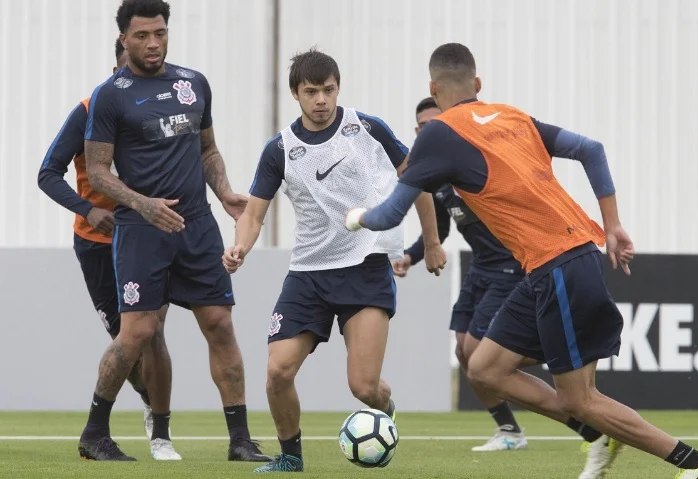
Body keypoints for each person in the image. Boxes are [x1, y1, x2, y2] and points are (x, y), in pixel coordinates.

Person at [345, 43, 698, 479]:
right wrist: (613, 225)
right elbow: (592, 149)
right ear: (479, 84)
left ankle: (694, 462)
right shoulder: (511, 116)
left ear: (433, 88)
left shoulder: (438, 133)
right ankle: (598, 432)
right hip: (551, 266)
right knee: (485, 368)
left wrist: (355, 218)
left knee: (581, 397)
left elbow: (390, 214)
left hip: (560, 264)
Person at [223, 47, 446, 473]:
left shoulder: (367, 128)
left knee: (364, 388)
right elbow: (254, 213)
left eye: (328, 90)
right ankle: (290, 458)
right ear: (296, 94)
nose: (321, 100)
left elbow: (417, 179)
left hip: (364, 268)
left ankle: (385, 408)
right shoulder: (280, 150)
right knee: (278, 371)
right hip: (307, 275)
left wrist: (431, 242)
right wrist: (240, 248)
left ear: (338, 87)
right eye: (312, 92)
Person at [78, 0, 270, 463]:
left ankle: (240, 440)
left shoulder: (193, 83)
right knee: (138, 332)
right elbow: (99, 171)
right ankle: (95, 433)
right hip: (141, 228)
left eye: (160, 33)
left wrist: (223, 191)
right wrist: (144, 205)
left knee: (220, 324)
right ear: (123, 38)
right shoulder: (111, 94)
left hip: (197, 226)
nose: (153, 43)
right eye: (142, 35)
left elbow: (208, 150)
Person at [38, 38, 179, 461]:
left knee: (150, 331)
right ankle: (134, 407)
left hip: (147, 237)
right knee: (127, 342)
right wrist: (87, 210)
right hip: (98, 243)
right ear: (116, 69)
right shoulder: (88, 109)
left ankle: (159, 427)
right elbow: (48, 173)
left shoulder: (161, 106)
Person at [392, 97, 528, 452]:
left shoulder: (473, 158)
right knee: (464, 351)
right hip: (481, 266)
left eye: (436, 123)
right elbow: (439, 228)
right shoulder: (435, 176)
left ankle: (536, 351)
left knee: (475, 350)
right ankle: (509, 431)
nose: (429, 131)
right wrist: (411, 255)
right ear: (418, 132)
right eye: (423, 126)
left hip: (511, 265)